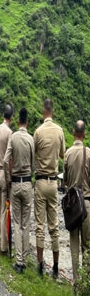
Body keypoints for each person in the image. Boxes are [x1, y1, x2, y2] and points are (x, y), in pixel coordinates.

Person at [33, 98, 66, 278]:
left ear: (43, 111)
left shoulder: (38, 132)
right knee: (54, 226)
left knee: (40, 225)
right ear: (52, 111)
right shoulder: (59, 131)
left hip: (39, 181)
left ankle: (40, 266)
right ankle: (55, 267)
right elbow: (62, 154)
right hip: (53, 182)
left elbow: (35, 153)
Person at [4, 107, 35, 273]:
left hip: (15, 184)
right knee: (26, 223)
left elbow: (4, 160)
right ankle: (25, 257)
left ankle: (19, 261)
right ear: (27, 122)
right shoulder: (31, 139)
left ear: (18, 122)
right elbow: (34, 164)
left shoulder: (13, 137)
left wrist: (9, 179)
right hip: (28, 183)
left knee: (17, 223)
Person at [64, 121, 90, 284]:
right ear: (85, 134)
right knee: (87, 246)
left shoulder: (67, 154)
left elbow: (65, 181)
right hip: (87, 204)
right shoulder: (89, 153)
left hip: (73, 206)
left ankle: (76, 282)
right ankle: (87, 282)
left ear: (73, 133)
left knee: (74, 246)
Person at [0, 105, 14, 255]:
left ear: (2, 115)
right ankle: (5, 247)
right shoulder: (9, 133)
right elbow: (10, 159)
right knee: (5, 211)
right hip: (5, 173)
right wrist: (10, 176)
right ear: (11, 117)